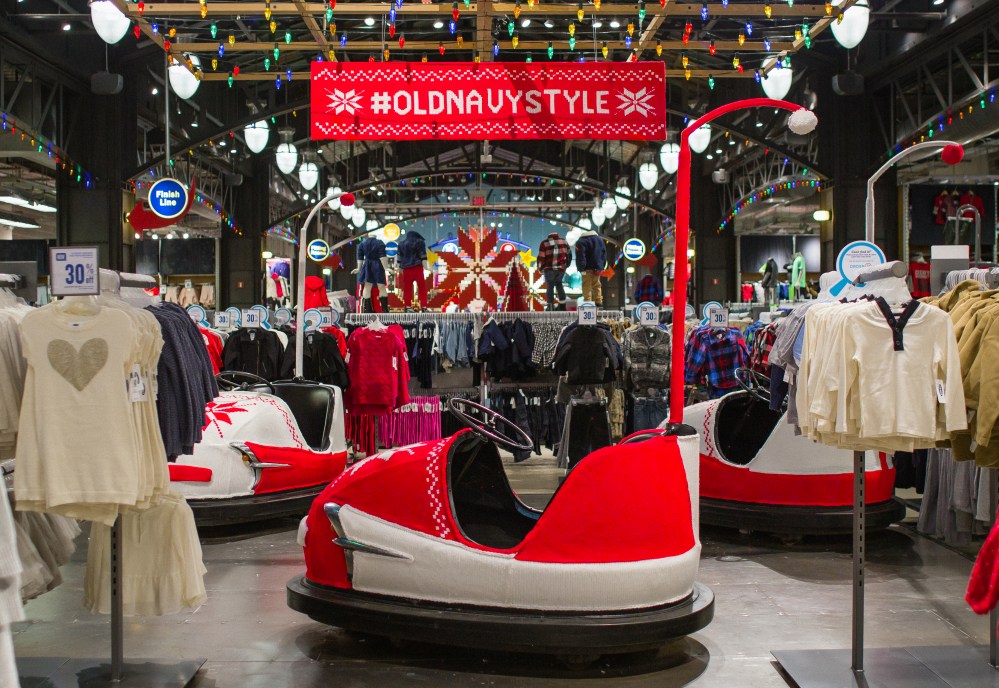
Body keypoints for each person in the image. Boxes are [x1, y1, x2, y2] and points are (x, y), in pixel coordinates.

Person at [353, 233, 390, 313]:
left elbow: (360, 257)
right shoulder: (379, 242)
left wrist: (358, 268)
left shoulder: (362, 244)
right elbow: (382, 256)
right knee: (381, 286)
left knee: (367, 287)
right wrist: (386, 267)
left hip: (367, 265)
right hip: (378, 265)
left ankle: (368, 309)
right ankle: (384, 309)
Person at [396, 230, 429, 310]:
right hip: (417, 268)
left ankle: (407, 307)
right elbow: (423, 256)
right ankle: (424, 306)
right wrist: (426, 267)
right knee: (422, 288)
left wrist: (400, 268)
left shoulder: (401, 243)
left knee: (407, 289)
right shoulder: (419, 242)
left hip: (406, 269)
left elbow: (399, 258)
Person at [537, 231, 570, 311]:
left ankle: (550, 306)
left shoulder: (544, 243)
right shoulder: (564, 242)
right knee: (559, 285)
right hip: (560, 269)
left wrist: (540, 268)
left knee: (550, 286)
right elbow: (569, 255)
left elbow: (541, 257)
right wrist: (566, 265)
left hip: (549, 269)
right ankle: (562, 306)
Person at [575, 229, 607, 306]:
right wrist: (602, 265)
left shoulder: (581, 241)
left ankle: (587, 303)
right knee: (597, 285)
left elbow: (581, 256)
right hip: (597, 267)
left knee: (586, 285)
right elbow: (604, 254)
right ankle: (598, 302)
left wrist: (581, 267)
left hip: (586, 268)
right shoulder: (600, 240)